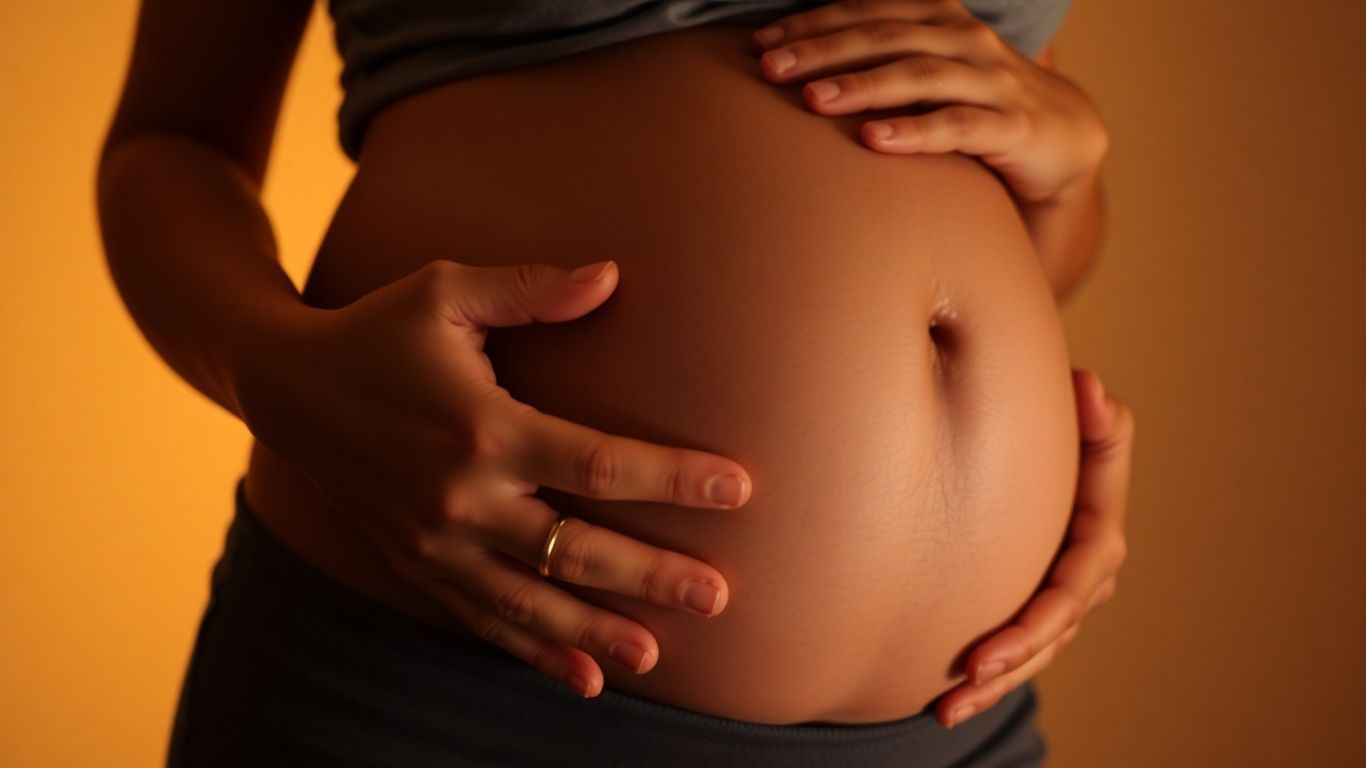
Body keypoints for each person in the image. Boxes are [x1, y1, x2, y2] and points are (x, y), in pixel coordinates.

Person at [96, 0, 1135, 765]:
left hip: (959, 728)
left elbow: (1025, 230)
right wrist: (276, 369)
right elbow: (171, 142)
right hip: (452, 689)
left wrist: (1072, 163)